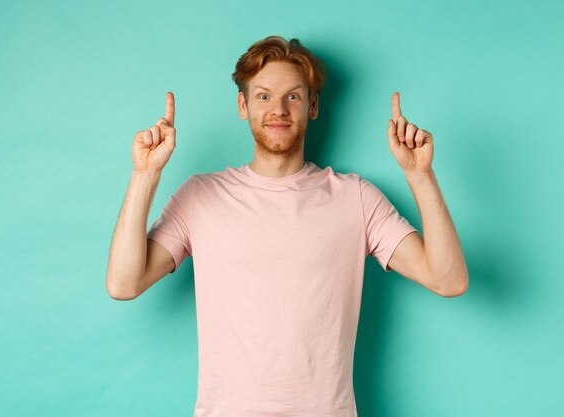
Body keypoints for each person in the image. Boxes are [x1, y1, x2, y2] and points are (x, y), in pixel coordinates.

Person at [106, 35, 468, 417]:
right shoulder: (201, 196)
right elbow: (123, 283)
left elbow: (448, 280)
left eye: (293, 96)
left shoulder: (356, 199)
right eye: (263, 96)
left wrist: (420, 175)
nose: (277, 109)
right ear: (243, 106)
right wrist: (145, 174)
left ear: (312, 106)